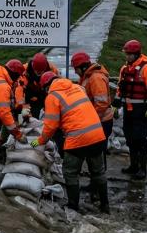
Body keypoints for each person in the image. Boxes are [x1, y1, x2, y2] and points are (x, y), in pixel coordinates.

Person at [30, 72, 108, 213]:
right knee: (98, 172)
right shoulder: (77, 88)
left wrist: (40, 140)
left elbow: (51, 126)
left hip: (78, 140)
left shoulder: (52, 96)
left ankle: (73, 206)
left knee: (70, 173)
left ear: (47, 86)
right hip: (97, 135)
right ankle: (105, 206)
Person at [116, 40, 147, 180]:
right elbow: (120, 87)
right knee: (130, 138)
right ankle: (133, 165)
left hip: (141, 109)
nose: (127, 57)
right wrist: (115, 104)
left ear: (136, 54)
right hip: (128, 109)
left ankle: (142, 169)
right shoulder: (124, 69)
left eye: (129, 54)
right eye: (126, 54)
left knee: (140, 139)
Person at [71, 51, 115, 143]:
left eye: (76, 69)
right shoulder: (87, 76)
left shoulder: (96, 78)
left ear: (83, 67)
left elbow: (102, 103)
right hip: (96, 120)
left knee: (98, 152)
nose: (75, 71)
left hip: (101, 121)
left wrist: (91, 119)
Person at [21, 52, 60, 119]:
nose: (38, 73)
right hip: (30, 96)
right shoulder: (24, 70)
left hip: (46, 94)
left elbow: (58, 87)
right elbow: (20, 90)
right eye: (37, 71)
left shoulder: (53, 70)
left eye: (41, 71)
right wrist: (25, 107)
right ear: (33, 67)